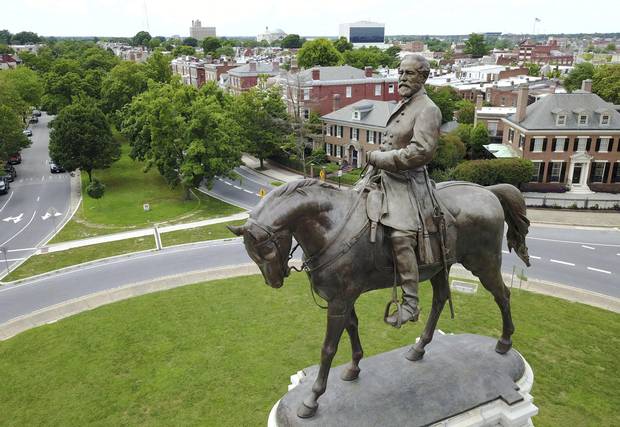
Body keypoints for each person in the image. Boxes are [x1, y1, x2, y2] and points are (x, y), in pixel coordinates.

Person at [366, 54, 442, 327]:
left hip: (407, 183)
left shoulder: (428, 109)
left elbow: (421, 151)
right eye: (400, 73)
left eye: (409, 73)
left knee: (400, 236)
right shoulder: (405, 104)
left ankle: (410, 303)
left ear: (423, 77)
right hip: (382, 175)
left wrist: (382, 159)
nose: (402, 78)